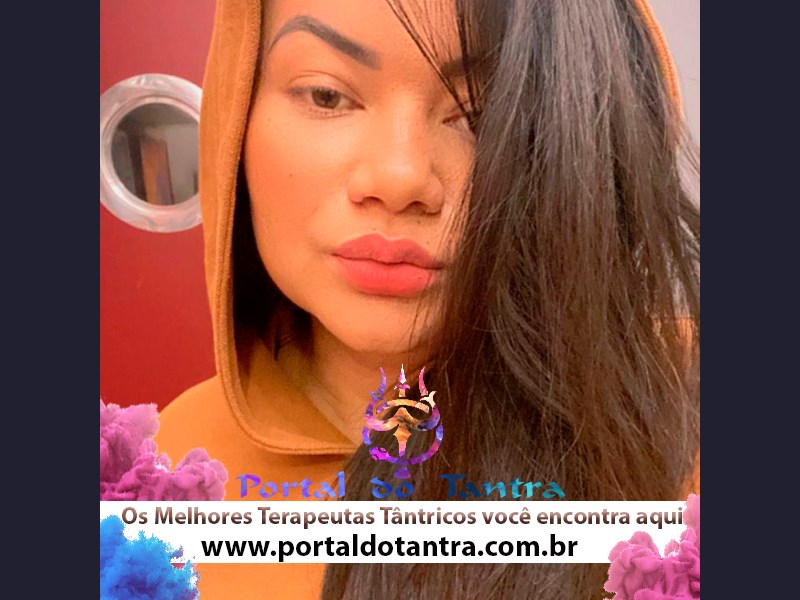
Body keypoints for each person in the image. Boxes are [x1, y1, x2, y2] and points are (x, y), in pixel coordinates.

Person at [155, 0, 700, 597]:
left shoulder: (687, 415)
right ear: (237, 114)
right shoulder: (161, 476)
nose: (400, 179)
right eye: (326, 96)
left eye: (486, 113)